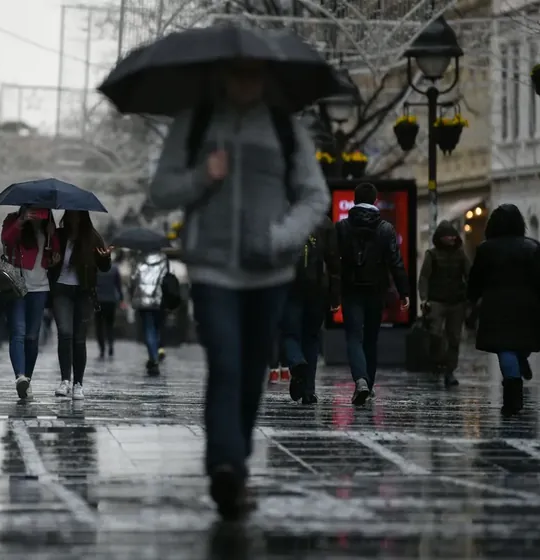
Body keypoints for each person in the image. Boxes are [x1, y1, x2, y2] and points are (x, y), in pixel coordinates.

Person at [148, 60, 330, 519]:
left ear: (265, 77)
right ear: (222, 75)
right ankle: (225, 467)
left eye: (254, 74)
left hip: (269, 272)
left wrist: (282, 237)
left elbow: (315, 196)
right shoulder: (196, 122)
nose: (246, 82)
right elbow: (161, 191)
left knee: (251, 372)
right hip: (212, 269)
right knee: (226, 363)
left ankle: (237, 462)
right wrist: (202, 176)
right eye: (237, 73)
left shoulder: (284, 128)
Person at [336, 182, 410, 405]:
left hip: (351, 290)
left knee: (354, 337)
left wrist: (332, 293)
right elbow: (396, 262)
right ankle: (368, 384)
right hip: (377, 291)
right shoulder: (385, 228)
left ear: (355, 200)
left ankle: (361, 380)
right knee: (371, 338)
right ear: (375, 200)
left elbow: (334, 264)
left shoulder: (342, 227)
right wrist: (404, 291)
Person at [467, 204, 540, 417]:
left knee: (505, 348)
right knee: (522, 342)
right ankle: (521, 358)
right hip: (527, 305)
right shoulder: (533, 247)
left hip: (496, 305)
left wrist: (472, 301)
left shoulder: (486, 249)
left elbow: (476, 280)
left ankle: (512, 400)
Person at [49, 211, 112, 400]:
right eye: (71, 214)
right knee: (65, 333)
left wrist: (105, 258)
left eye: (77, 215)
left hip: (83, 292)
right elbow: (47, 261)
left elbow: (104, 267)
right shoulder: (59, 235)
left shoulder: (92, 237)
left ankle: (78, 383)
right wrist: (52, 262)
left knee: (79, 338)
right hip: (61, 290)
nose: (74, 218)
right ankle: (65, 380)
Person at [1, 207, 60, 399]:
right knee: (18, 332)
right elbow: (6, 240)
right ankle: (20, 376)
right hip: (17, 284)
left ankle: (27, 379)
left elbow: (54, 255)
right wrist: (21, 222)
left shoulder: (48, 227)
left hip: (40, 288)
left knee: (32, 337)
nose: (36, 213)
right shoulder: (13, 220)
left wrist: (53, 236)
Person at [282, 215, 341, 404]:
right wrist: (335, 296)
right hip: (318, 288)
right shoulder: (325, 223)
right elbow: (334, 263)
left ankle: (296, 362)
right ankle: (309, 391)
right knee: (312, 337)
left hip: (290, 287)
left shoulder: (286, 217)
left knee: (288, 333)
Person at [418, 221, 471, 388]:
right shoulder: (432, 255)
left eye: (453, 236)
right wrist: (424, 298)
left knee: (454, 337)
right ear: (440, 238)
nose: (451, 238)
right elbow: (424, 277)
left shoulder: (460, 255)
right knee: (435, 333)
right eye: (448, 236)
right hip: (436, 300)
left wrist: (470, 296)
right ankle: (436, 361)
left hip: (457, 301)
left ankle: (449, 371)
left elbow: (469, 274)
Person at [129, 250, 169, 375]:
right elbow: (167, 278)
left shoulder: (139, 259)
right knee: (156, 327)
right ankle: (156, 352)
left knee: (148, 328)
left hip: (143, 300)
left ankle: (153, 359)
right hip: (159, 299)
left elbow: (133, 279)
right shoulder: (163, 260)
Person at [94, 252, 124, 359]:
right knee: (110, 325)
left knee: (99, 326)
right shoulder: (114, 269)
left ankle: (102, 349)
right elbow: (118, 285)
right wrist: (121, 298)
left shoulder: (96, 268)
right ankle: (110, 345)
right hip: (111, 300)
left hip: (98, 300)